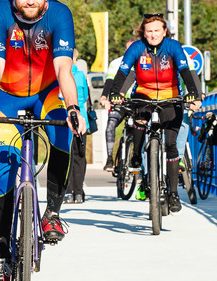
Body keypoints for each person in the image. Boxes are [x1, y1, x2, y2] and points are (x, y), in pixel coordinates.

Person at [0, 0, 86, 281]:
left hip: (48, 91)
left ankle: (52, 212)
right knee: (4, 174)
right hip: (5, 95)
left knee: (65, 131)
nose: (31, 0)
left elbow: (65, 69)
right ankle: (2, 258)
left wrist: (74, 108)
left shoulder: (59, 15)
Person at [109, 13, 203, 214]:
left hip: (171, 97)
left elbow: (185, 71)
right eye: (149, 31)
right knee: (139, 122)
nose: (153, 35)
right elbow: (123, 71)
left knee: (171, 145)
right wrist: (116, 92)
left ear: (164, 31)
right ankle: (136, 155)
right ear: (143, 32)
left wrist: (193, 93)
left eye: (157, 31)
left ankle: (173, 194)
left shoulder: (173, 46)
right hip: (144, 95)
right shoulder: (136, 48)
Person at [100, 38, 136, 172]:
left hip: (137, 102)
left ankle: (136, 158)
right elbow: (110, 81)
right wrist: (104, 97)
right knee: (110, 125)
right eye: (128, 49)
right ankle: (109, 158)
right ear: (125, 50)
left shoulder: (143, 61)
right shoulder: (116, 63)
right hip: (119, 102)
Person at [64, 49, 91, 203]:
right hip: (81, 121)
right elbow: (86, 96)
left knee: (66, 156)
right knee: (80, 156)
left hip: (63, 120)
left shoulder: (58, 76)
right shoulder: (80, 75)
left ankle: (67, 192)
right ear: (76, 58)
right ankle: (79, 193)